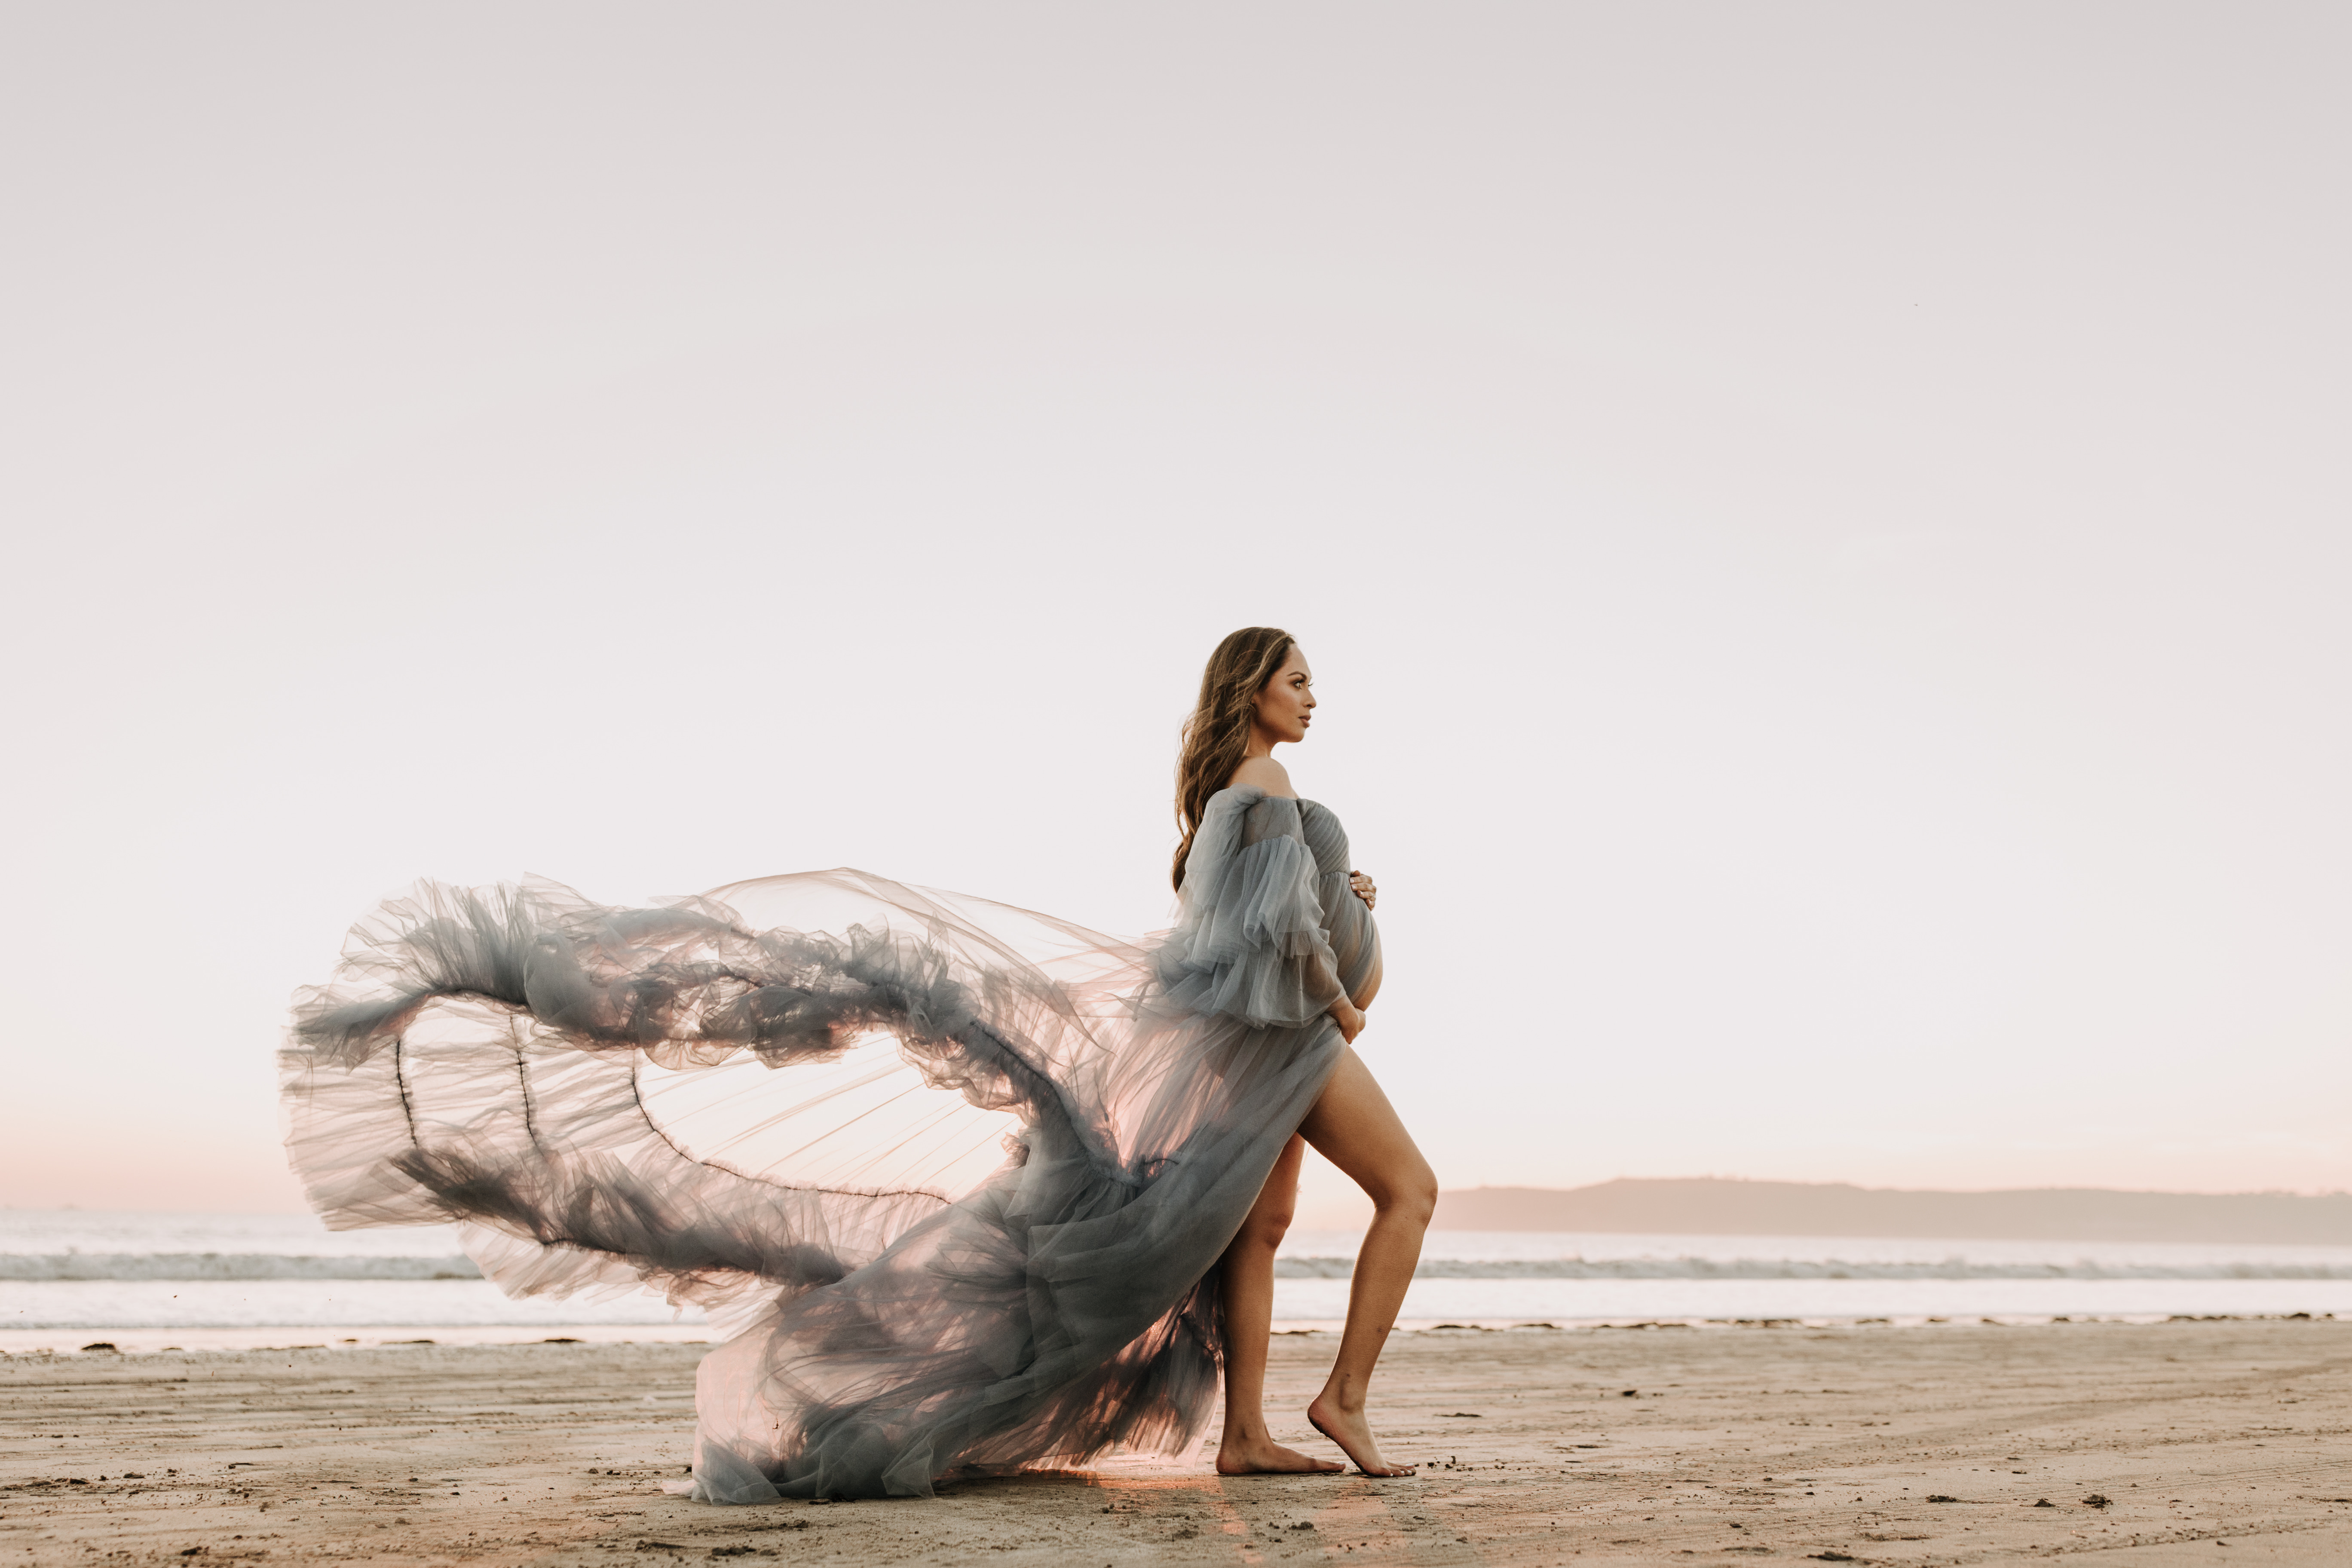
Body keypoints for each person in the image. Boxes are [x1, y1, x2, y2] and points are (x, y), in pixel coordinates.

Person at [280, 625, 1433, 1498]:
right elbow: (1276, 938)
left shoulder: (1222, 808)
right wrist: (1342, 995)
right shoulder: (1272, 787)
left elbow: (1247, 916)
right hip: (1288, 1043)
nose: (1314, 699)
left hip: (1243, 1049)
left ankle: (1244, 1436)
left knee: (1258, 1232)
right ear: (1249, 691)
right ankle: (1342, 1399)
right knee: (1409, 1191)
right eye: (1297, 682)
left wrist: (1350, 898)